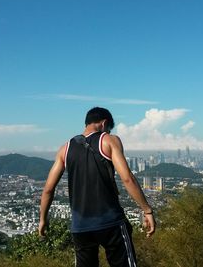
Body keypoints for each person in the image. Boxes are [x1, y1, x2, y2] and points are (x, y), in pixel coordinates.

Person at [39, 107, 156, 267]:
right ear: (104, 123)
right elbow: (127, 179)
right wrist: (146, 210)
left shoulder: (65, 149)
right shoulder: (109, 140)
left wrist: (43, 220)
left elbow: (48, 189)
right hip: (111, 222)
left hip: (80, 226)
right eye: (108, 129)